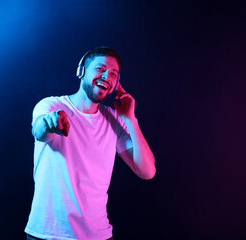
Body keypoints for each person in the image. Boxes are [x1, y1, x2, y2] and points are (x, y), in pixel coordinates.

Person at [25, 46, 156, 240]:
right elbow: (39, 131)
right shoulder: (51, 106)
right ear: (82, 71)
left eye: (114, 74)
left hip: (97, 235)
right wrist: (49, 123)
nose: (107, 77)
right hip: (46, 234)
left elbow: (146, 171)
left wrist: (131, 120)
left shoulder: (115, 120)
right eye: (100, 69)